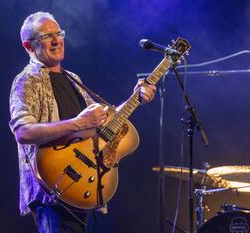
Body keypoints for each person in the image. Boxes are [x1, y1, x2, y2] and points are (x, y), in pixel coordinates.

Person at [9, 11, 156, 233]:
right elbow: (23, 132)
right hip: (53, 192)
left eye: (59, 34)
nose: (57, 40)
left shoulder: (73, 79)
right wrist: (77, 123)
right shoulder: (26, 80)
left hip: (86, 187)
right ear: (29, 46)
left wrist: (135, 98)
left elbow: (103, 121)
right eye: (47, 37)